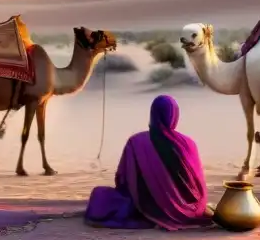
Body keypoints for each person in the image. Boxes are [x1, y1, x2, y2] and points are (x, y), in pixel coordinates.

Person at [85, 94, 213, 230]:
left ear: (152, 113)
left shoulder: (135, 142)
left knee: (99, 194)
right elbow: (199, 186)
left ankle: (149, 213)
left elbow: (122, 179)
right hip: (188, 210)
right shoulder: (189, 144)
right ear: (175, 116)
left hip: (145, 206)